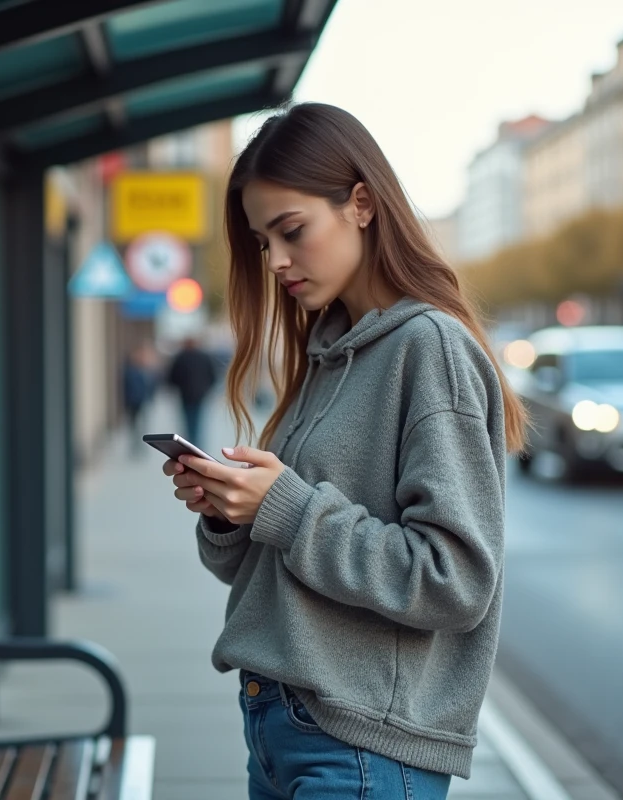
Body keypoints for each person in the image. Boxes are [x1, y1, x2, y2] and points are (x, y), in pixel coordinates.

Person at [157, 103, 527, 800]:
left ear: (361, 204)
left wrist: (288, 508)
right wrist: (231, 513)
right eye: (264, 242)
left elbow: (456, 581)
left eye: (292, 231)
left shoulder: (430, 349)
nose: (278, 263)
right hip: (279, 724)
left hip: (360, 747)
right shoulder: (325, 353)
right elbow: (272, 566)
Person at [166, 336, 219, 450]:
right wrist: (206, 389)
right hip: (200, 395)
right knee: (198, 420)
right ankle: (196, 446)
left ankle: (189, 444)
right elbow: (213, 376)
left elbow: (171, 377)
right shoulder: (204, 357)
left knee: (188, 420)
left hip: (185, 395)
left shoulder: (180, 357)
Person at [122, 342, 158, 455]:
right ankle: (135, 445)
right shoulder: (130, 370)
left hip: (142, 401)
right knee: (133, 424)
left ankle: (140, 445)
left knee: (141, 424)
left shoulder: (144, 370)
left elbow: (150, 386)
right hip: (133, 401)